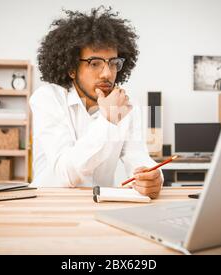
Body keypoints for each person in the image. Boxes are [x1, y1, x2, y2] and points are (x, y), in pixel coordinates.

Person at [30, 6, 163, 198]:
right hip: (50, 206)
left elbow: (138, 157)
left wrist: (152, 176)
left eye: (113, 63)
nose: (107, 74)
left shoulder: (126, 105)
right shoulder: (47, 99)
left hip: (100, 204)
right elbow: (66, 174)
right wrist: (108, 120)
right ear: (71, 69)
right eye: (94, 63)